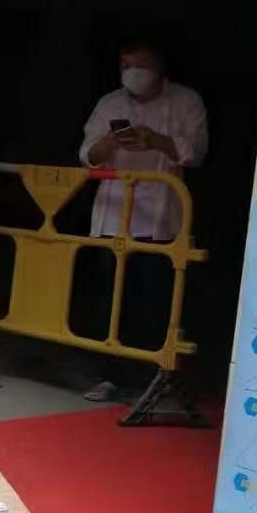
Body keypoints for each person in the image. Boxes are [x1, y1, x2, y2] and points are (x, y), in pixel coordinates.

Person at [76, 35, 208, 401]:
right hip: (112, 216)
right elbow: (86, 154)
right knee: (109, 300)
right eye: (126, 65)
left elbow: (196, 152)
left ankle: (149, 379)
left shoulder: (186, 101)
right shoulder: (110, 103)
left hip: (161, 221)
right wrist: (108, 144)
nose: (132, 72)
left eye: (141, 65)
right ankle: (109, 377)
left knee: (153, 301)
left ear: (160, 67)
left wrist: (157, 141)